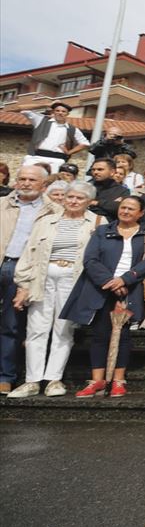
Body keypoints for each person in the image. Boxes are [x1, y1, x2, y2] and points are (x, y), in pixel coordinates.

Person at [7, 182, 100, 398]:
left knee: (63, 330)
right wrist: (23, 283)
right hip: (43, 277)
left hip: (73, 279)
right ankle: (32, 381)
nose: (74, 201)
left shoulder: (97, 221)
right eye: (70, 197)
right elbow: (29, 252)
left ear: (88, 201)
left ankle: (54, 379)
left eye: (80, 198)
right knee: (36, 329)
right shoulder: (46, 221)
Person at [63, 195, 145, 397]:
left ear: (141, 213)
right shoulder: (102, 231)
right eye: (123, 207)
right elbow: (90, 259)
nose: (125, 211)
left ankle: (118, 379)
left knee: (123, 335)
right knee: (100, 334)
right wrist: (110, 281)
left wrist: (125, 279)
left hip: (130, 288)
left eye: (131, 209)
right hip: (103, 287)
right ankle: (97, 380)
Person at [1, 165, 56, 395]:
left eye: (32, 180)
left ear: (43, 185)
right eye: (22, 178)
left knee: (12, 326)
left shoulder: (54, 211)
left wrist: (27, 283)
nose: (25, 183)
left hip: (24, 271)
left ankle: (5, 376)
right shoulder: (2, 204)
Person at [21, 102, 90, 172]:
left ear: (67, 114)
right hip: (37, 157)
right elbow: (23, 108)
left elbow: (85, 144)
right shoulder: (41, 120)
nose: (60, 113)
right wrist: (46, 104)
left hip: (57, 160)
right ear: (53, 112)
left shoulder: (72, 129)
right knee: (27, 176)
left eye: (63, 111)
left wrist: (69, 152)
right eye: (57, 111)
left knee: (53, 182)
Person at [88, 158, 129, 222]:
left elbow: (120, 209)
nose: (95, 172)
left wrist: (97, 203)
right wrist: (109, 204)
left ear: (112, 172)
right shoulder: (86, 187)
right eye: (93, 170)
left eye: (100, 169)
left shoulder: (122, 190)